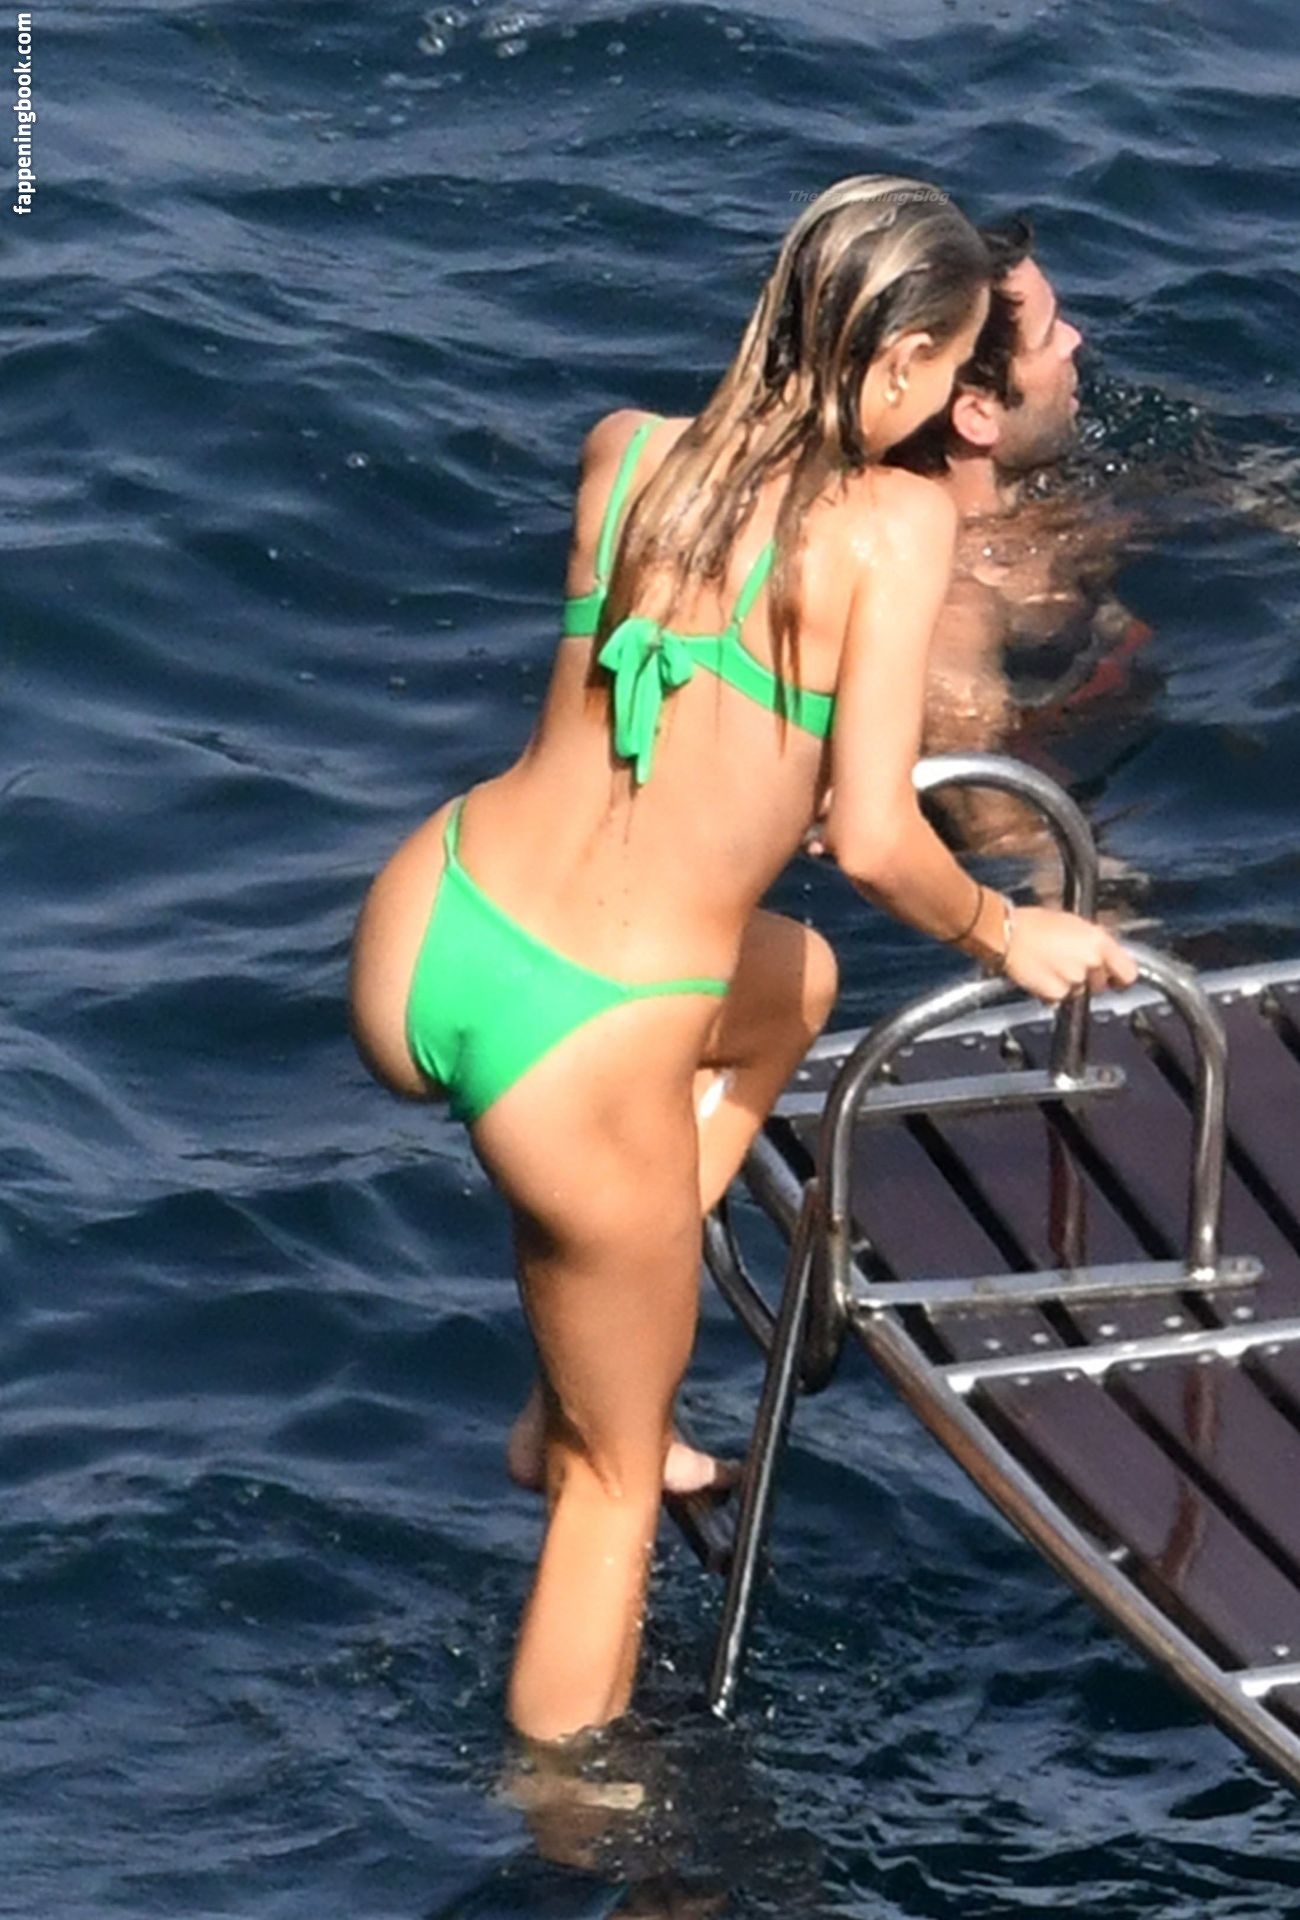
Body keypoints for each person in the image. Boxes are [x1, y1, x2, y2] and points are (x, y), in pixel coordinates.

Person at [348, 175, 1137, 1746]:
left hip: (434, 921)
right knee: (612, 1495)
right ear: (901, 364)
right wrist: (1010, 930)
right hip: (589, 1032)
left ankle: (580, 1373)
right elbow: (880, 840)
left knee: (797, 986)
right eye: (946, 372)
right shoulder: (898, 529)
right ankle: (572, 1814)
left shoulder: (628, 450)